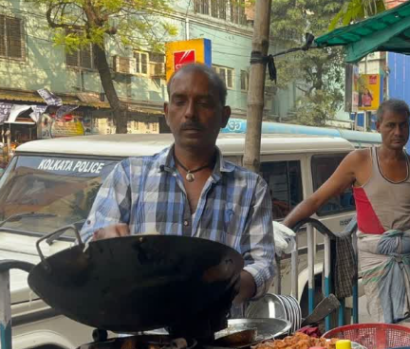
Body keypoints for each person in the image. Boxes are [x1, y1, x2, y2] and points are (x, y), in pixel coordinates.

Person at [82, 63, 276, 305]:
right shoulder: (129, 174)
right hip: (141, 335)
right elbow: (88, 244)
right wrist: (103, 242)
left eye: (204, 103)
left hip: (218, 336)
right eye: (180, 101)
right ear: (166, 111)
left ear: (224, 115)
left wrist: (221, 287)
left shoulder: (250, 188)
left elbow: (263, 264)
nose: (190, 113)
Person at [282, 99, 410, 323]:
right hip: (376, 260)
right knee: (385, 326)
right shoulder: (359, 160)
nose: (398, 132)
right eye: (391, 125)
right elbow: (316, 199)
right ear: (378, 126)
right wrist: (282, 229)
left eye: (404, 125)